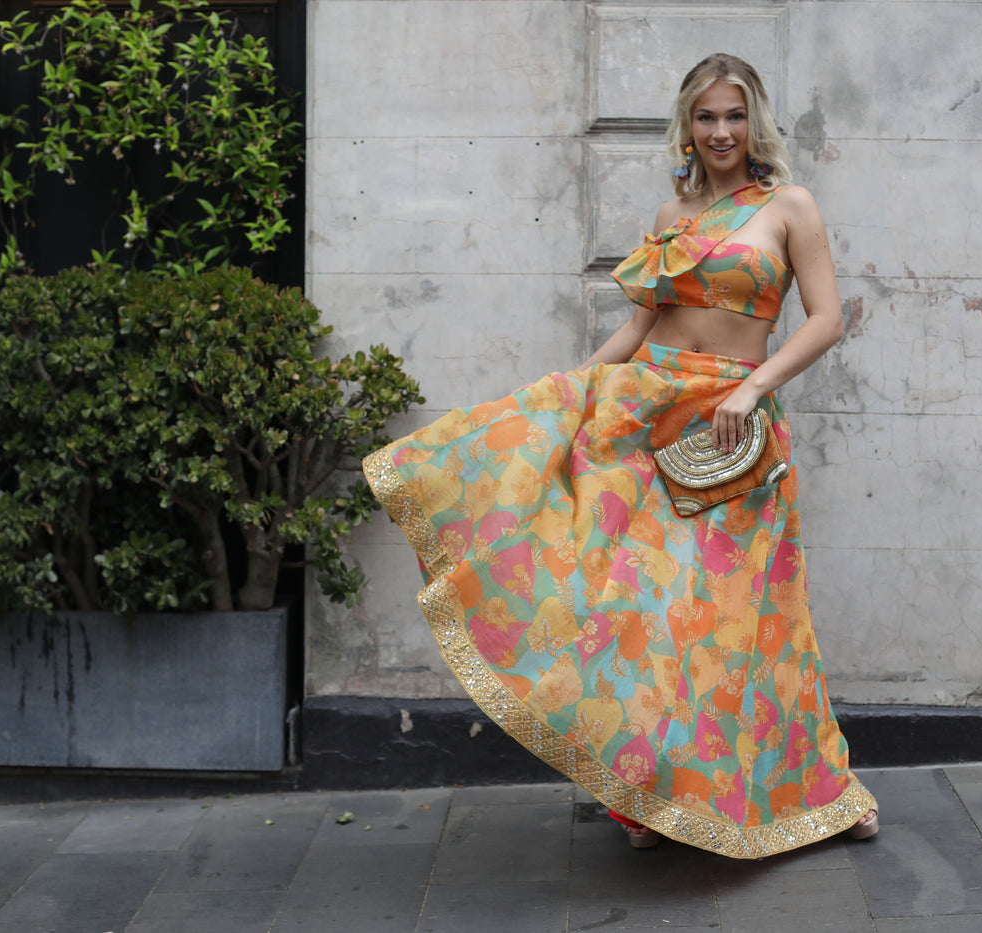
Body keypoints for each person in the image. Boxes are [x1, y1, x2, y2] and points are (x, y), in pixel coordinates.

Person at [363, 52, 877, 858]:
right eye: (706, 117)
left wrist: (753, 386)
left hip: (731, 430)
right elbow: (638, 332)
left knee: (749, 620)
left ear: (756, 121)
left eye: (734, 116)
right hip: (648, 411)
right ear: (687, 123)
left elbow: (826, 319)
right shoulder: (675, 214)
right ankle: (653, 795)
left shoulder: (789, 206)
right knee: (646, 617)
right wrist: (563, 395)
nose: (720, 132)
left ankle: (825, 797)